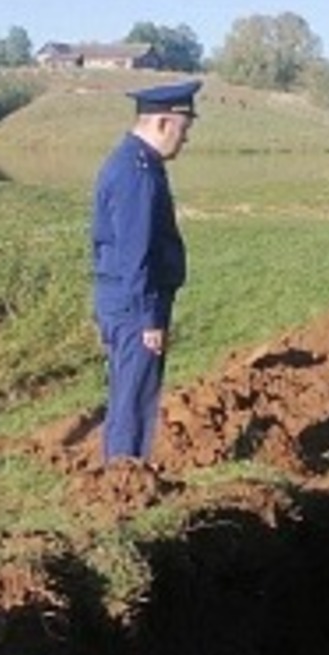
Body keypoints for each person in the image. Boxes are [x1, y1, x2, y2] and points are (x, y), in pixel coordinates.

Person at [90, 79, 201, 462]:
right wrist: (149, 318)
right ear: (162, 123)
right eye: (183, 131)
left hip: (126, 297)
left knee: (131, 392)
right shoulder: (136, 172)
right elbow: (135, 253)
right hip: (134, 302)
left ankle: (122, 475)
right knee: (135, 398)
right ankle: (124, 479)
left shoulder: (135, 162)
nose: (184, 141)